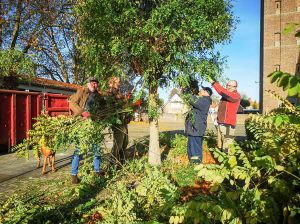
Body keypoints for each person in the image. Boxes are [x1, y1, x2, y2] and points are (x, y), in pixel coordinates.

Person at [69, 77, 102, 184]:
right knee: (79, 150)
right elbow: (72, 104)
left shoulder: (98, 96)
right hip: (82, 125)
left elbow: (103, 108)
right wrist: (82, 112)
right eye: (93, 83)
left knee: (97, 150)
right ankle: (74, 175)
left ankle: (97, 171)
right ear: (88, 84)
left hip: (94, 125)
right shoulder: (82, 91)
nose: (94, 85)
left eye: (96, 83)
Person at [208, 79, 241, 151]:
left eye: (232, 86)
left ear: (235, 87)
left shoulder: (236, 96)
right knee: (220, 144)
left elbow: (222, 92)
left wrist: (214, 83)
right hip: (221, 123)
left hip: (228, 124)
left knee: (227, 146)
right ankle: (221, 161)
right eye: (228, 85)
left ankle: (228, 161)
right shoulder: (225, 96)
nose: (229, 87)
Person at [185, 87, 212, 164]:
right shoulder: (203, 100)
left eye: (201, 90)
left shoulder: (205, 101)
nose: (199, 91)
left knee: (195, 149)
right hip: (193, 129)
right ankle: (192, 163)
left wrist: (186, 90)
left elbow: (191, 99)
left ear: (206, 92)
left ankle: (196, 164)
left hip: (196, 129)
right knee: (191, 147)